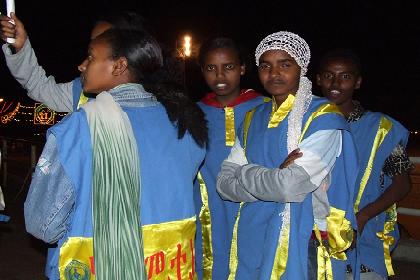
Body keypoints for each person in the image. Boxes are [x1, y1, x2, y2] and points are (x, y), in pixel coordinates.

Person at [24, 28, 207, 280]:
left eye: (90, 57)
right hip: (167, 267)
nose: (81, 65)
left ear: (119, 66)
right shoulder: (185, 125)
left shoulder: (77, 129)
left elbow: (42, 225)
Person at [216, 31, 358, 279]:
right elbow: (223, 185)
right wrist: (275, 175)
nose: (274, 74)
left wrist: (245, 171)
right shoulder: (252, 119)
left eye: (285, 64)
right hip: (253, 233)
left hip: (304, 238)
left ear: (301, 68)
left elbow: (290, 186)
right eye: (266, 66)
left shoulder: (321, 117)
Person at [316, 48, 414, 280]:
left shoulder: (381, 128)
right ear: (318, 79)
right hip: (316, 240)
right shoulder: (308, 124)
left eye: (345, 76)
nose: (336, 83)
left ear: (357, 82)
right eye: (329, 75)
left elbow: (402, 185)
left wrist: (363, 216)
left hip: (364, 239)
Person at [193, 37, 265, 279]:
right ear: (202, 70)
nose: (220, 76)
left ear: (242, 68)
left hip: (256, 209)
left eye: (229, 67)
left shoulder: (266, 109)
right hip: (207, 213)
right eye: (211, 68)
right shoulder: (192, 114)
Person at [0, 10, 147, 112]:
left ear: (121, 64)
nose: (81, 66)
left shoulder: (155, 112)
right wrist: (21, 46)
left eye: (93, 55)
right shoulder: (80, 91)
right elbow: (39, 86)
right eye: (91, 49)